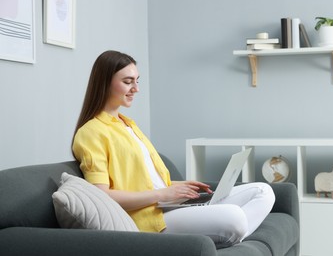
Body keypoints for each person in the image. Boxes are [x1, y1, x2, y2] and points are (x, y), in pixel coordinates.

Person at [72, 50, 275, 247]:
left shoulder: (127, 124)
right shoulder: (91, 132)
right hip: (150, 218)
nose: (136, 88)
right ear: (104, 83)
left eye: (137, 80)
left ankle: (224, 236)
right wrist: (163, 195)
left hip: (166, 204)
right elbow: (102, 196)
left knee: (263, 191)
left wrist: (180, 186)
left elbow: (144, 179)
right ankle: (225, 235)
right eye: (127, 82)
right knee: (235, 217)